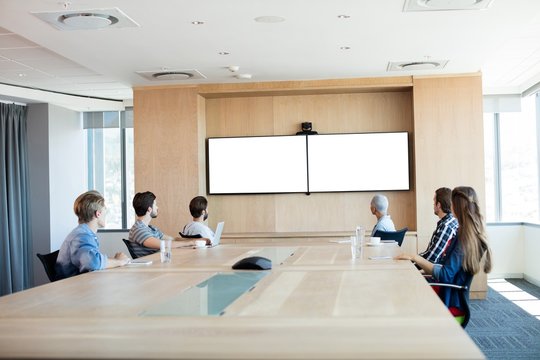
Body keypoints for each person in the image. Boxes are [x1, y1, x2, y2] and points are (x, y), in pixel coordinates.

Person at [395, 186, 492, 310]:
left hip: (449, 300)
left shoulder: (464, 238)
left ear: (455, 206)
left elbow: (445, 274)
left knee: (402, 292)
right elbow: (446, 267)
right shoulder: (467, 234)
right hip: (451, 295)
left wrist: (415, 257)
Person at [56, 191, 130, 279]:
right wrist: (118, 261)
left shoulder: (84, 233)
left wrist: (114, 261)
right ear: (98, 213)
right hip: (75, 289)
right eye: (105, 211)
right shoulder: (81, 236)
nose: (106, 214)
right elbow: (92, 263)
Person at [128, 191, 183, 257]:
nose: (157, 207)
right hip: (152, 266)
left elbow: (172, 239)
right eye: (155, 205)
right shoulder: (138, 230)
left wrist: (192, 241)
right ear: (149, 209)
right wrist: (189, 243)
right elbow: (164, 244)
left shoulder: (152, 228)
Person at [419, 187, 459, 264]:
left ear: (439, 205)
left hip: (436, 272)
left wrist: (412, 260)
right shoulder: (451, 221)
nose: (433, 204)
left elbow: (431, 259)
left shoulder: (446, 226)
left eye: (434, 201)